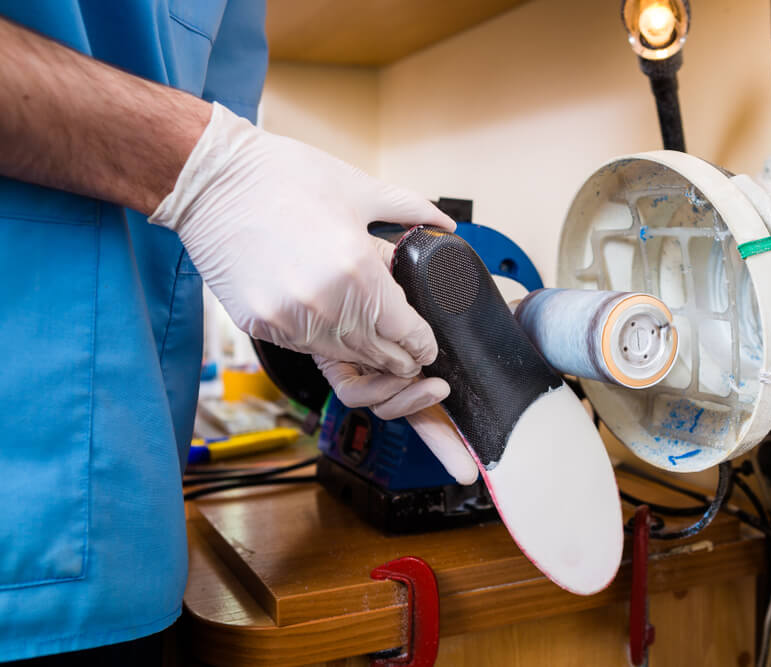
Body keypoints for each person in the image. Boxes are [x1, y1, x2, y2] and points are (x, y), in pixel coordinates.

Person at [0, 3, 476, 663]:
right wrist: (200, 166)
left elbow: (217, 195)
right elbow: (198, 162)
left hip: (131, 534)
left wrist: (319, 303)